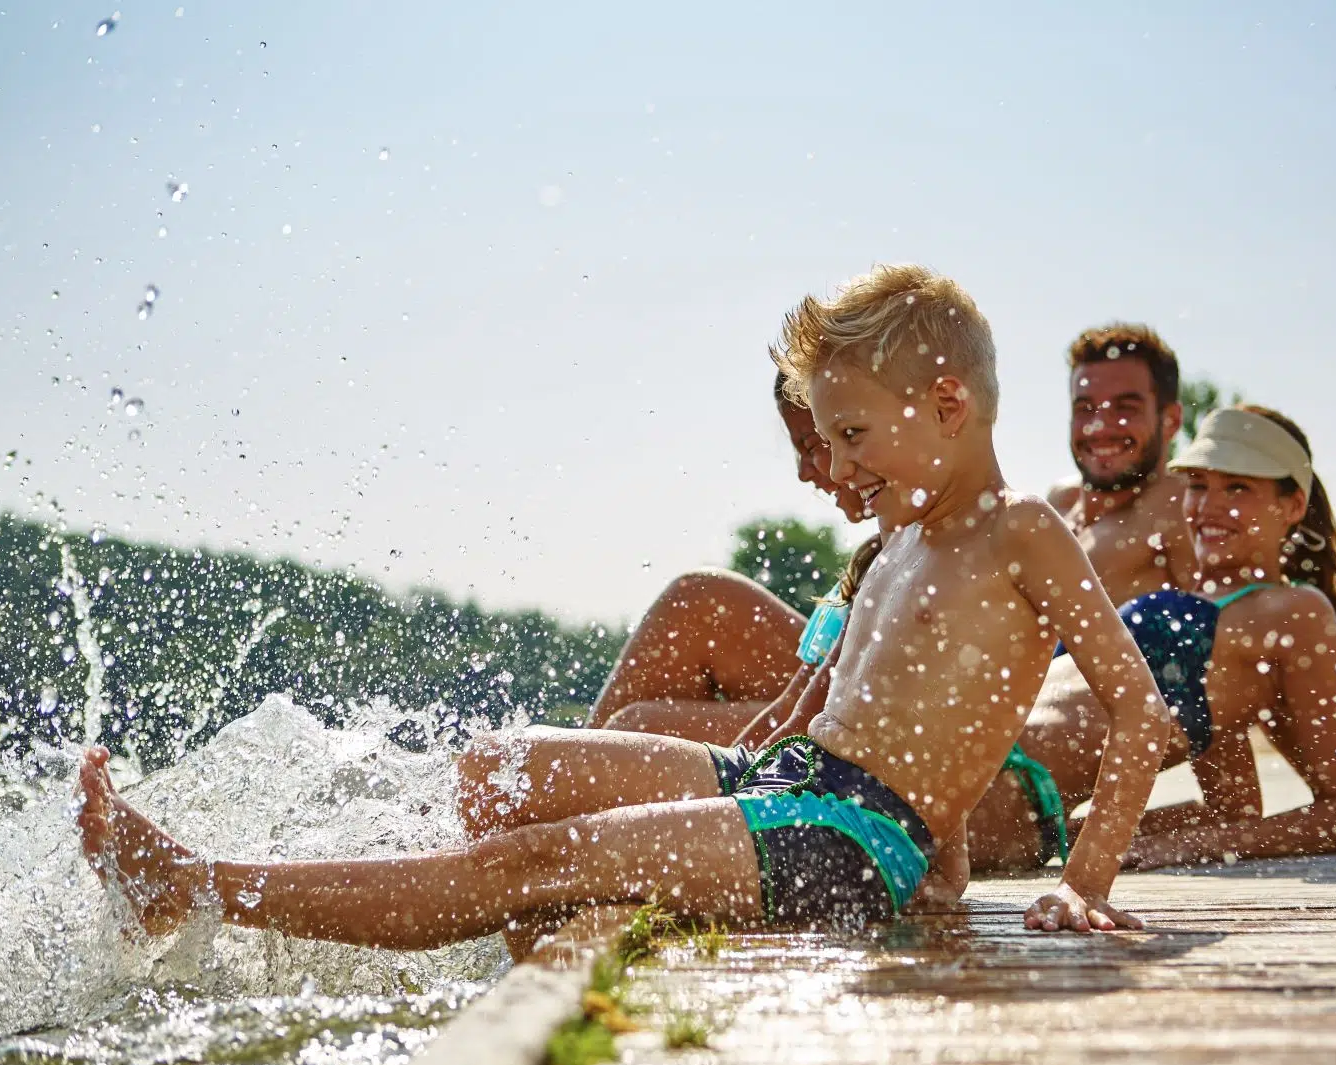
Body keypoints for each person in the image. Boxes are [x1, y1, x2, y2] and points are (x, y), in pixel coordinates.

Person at [74, 264, 1170, 950]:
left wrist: (1083, 884)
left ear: (945, 403)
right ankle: (397, 909)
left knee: (536, 865)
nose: (837, 468)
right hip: (792, 783)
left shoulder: (1021, 531)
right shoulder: (901, 538)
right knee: (505, 768)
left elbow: (1138, 712)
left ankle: (199, 886)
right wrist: (947, 876)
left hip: (845, 833)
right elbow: (918, 706)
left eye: (850, 436)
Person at [965, 406, 1336, 875]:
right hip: (986, 787)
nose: (1207, 507)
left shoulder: (1295, 612)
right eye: (1199, 485)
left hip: (987, 793)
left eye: (1238, 488)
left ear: (1292, 505)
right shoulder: (1213, 621)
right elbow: (1232, 811)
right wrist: (1098, 834)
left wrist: (1183, 847)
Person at [586, 372, 872, 744]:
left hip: (864, 722)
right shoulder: (885, 547)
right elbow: (796, 703)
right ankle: (559, 771)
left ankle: (563, 777)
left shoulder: (919, 541)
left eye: (811, 443)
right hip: (834, 692)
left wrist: (741, 774)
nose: (804, 472)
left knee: (633, 733)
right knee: (698, 599)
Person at [1048, 325, 1198, 604]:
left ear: (1171, 420)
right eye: (1085, 409)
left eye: (1125, 408)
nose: (1099, 427)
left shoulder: (1179, 504)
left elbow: (1234, 626)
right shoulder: (1060, 502)